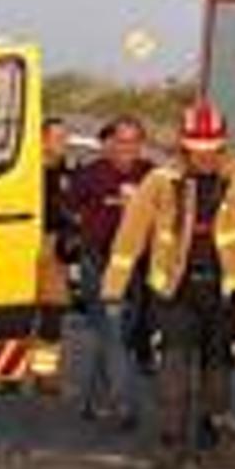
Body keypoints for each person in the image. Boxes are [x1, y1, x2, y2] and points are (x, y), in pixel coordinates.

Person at [102, 100, 235, 469]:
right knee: (172, 367)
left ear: (223, 146)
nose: (204, 158)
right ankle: (170, 442)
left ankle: (210, 422)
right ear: (183, 147)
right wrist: (114, 287)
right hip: (174, 289)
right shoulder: (160, 182)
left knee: (218, 371)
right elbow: (131, 235)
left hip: (223, 290)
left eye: (211, 151)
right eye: (196, 151)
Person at [65, 115, 154, 427]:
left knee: (118, 336)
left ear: (141, 145)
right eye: (122, 142)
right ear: (110, 143)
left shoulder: (152, 176)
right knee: (112, 330)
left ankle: (92, 400)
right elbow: (70, 210)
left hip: (137, 267)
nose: (127, 149)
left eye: (134, 142)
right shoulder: (90, 175)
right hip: (99, 264)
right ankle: (123, 404)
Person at [29, 115, 75, 393]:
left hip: (55, 246)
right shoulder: (27, 173)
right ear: (42, 139)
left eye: (64, 137)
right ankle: (9, 375)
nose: (63, 143)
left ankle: (45, 376)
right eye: (57, 138)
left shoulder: (67, 173)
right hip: (25, 243)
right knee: (20, 313)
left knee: (52, 313)